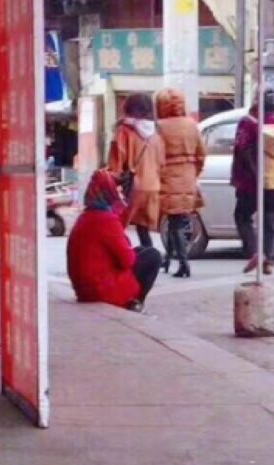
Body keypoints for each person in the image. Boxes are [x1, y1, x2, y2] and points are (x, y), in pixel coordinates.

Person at [67, 170, 163, 312]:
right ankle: (134, 303)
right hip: (100, 290)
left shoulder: (86, 217)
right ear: (109, 192)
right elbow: (128, 260)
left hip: (84, 288)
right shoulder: (105, 220)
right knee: (153, 256)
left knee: (142, 251)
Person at [232, 86, 274, 276]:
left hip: (250, 182)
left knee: (242, 216)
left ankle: (255, 252)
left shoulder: (248, 123)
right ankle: (269, 260)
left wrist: (255, 173)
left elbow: (242, 148)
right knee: (270, 220)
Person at [155, 88, 206, 279]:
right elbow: (202, 153)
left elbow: (155, 155)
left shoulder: (159, 127)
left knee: (173, 221)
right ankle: (169, 259)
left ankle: (183, 263)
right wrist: (193, 171)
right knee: (177, 220)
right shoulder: (192, 125)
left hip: (168, 178)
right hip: (188, 177)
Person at [108, 93, 165, 249]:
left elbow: (116, 162)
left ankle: (118, 259)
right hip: (153, 187)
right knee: (143, 229)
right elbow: (161, 162)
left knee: (117, 227)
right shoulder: (156, 134)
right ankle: (149, 262)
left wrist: (111, 180)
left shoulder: (124, 131)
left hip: (131, 188)